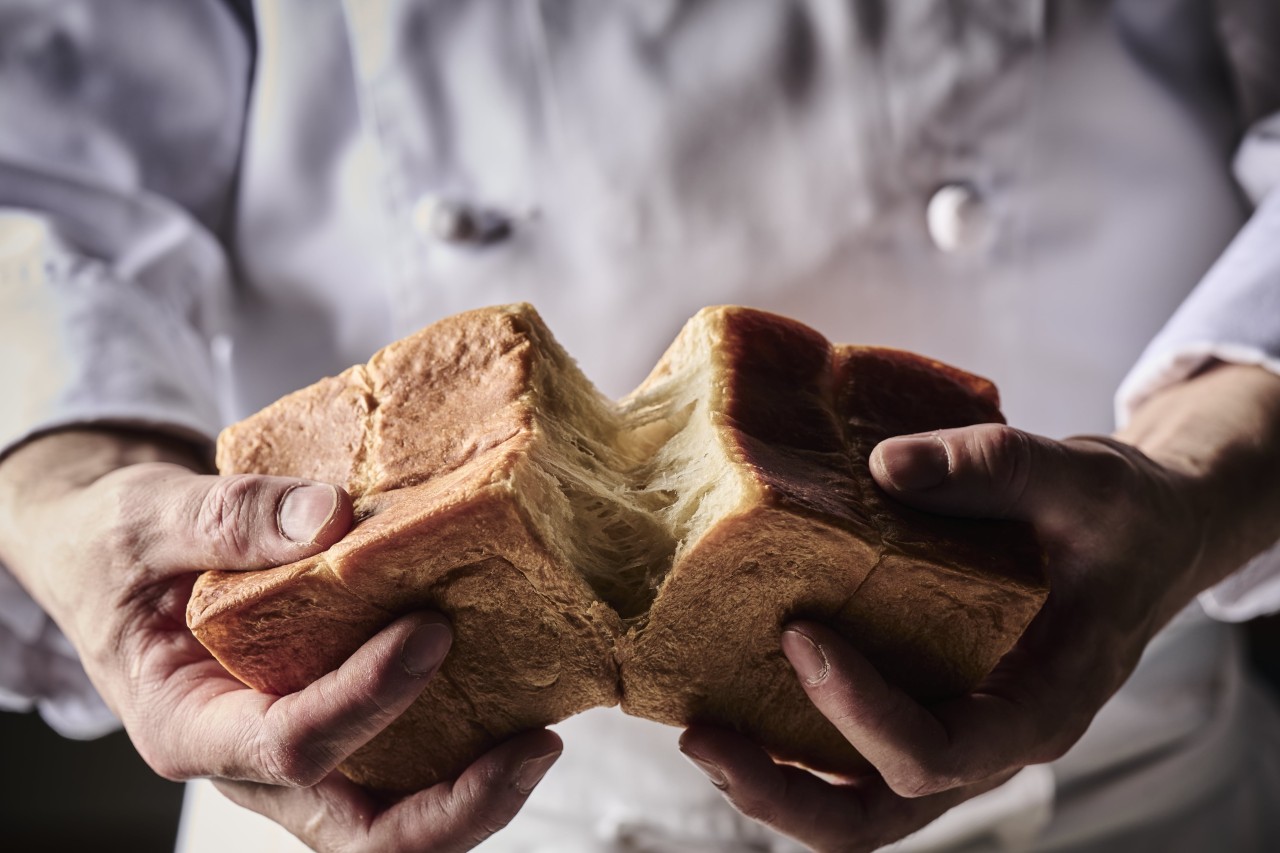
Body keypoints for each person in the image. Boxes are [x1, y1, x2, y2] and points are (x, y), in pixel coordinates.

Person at [1, 1, 1279, 851]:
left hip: (1110, 770)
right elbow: (43, 155)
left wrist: (1205, 471)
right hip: (340, 782)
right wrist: (71, 487)